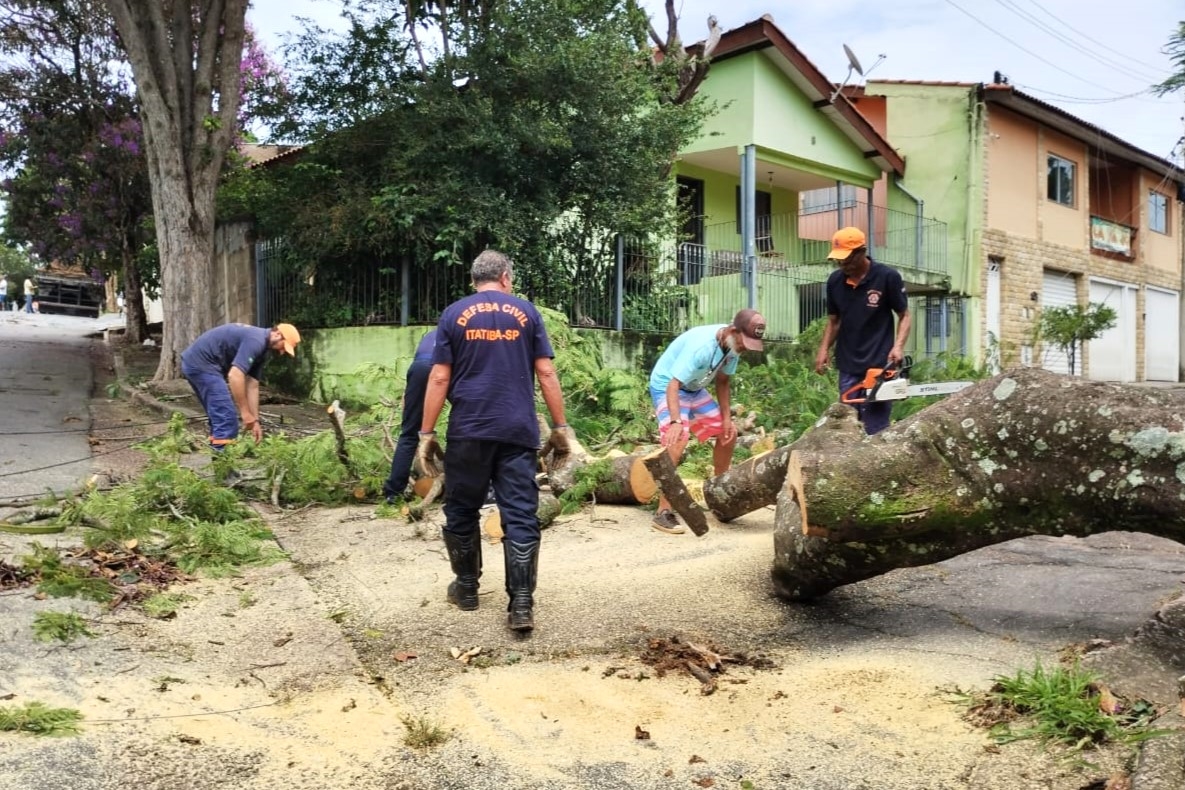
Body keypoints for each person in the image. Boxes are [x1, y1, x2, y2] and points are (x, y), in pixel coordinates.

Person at [416, 249, 570, 633]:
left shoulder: (454, 314)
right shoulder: (527, 313)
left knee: (462, 509)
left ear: (474, 280)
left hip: (468, 429)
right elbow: (547, 373)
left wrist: (426, 433)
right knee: (520, 514)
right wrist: (560, 426)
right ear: (504, 276)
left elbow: (438, 377)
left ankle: (466, 589)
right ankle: (520, 604)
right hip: (517, 431)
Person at [648, 308, 767, 535]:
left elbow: (722, 382)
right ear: (733, 331)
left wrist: (726, 420)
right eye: (744, 342)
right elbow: (673, 385)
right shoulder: (701, 348)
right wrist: (675, 422)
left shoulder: (732, 347)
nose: (744, 348)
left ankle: (719, 494)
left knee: (728, 434)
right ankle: (662, 511)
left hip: (694, 388)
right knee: (678, 438)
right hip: (667, 386)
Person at [814, 226, 912, 436]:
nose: (843, 264)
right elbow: (834, 321)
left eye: (847, 259)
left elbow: (905, 315)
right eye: (839, 260)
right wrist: (823, 350)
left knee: (875, 428)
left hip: (879, 364)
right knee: (847, 426)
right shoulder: (834, 282)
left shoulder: (887, 277)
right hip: (848, 364)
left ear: (861, 252)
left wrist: (898, 346)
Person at [180, 322, 301, 450]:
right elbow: (235, 375)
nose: (282, 352)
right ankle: (224, 468)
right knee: (226, 418)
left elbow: (252, 385)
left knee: (219, 417)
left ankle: (220, 462)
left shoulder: (262, 349)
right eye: (284, 346)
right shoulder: (256, 340)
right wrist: (245, 413)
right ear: (277, 334)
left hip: (199, 364)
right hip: (202, 364)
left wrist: (255, 421)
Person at [382, 327, 437, 505]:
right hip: (443, 368)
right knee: (468, 428)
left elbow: (417, 371)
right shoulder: (462, 330)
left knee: (408, 434)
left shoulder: (430, 336)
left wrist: (409, 413)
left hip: (419, 368)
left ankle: (393, 493)